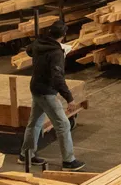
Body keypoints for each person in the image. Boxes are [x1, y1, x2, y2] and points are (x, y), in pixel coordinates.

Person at [21, 22, 85, 170]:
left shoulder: (38, 43)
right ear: (63, 36)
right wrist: (69, 98)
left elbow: (29, 50)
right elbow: (57, 78)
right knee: (63, 124)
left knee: (35, 122)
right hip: (46, 91)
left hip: (36, 87)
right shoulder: (57, 53)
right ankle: (69, 161)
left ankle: (26, 155)